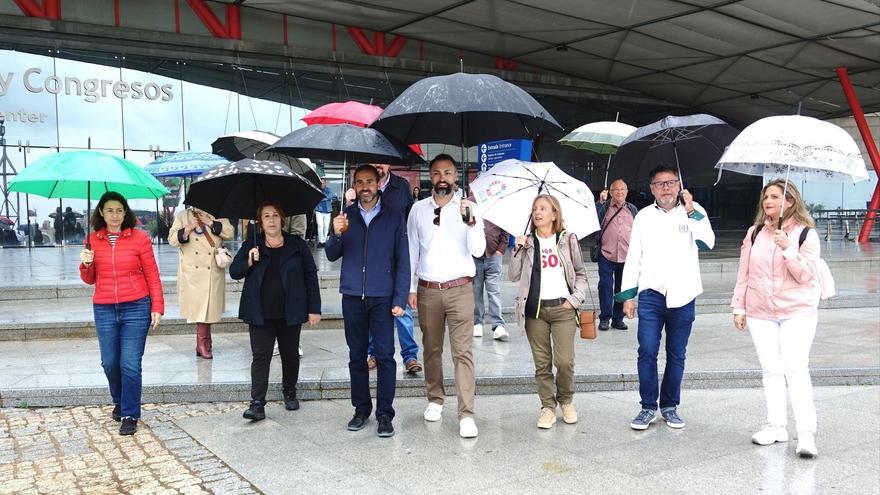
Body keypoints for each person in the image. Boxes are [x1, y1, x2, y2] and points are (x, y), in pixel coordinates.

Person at [614, 165, 715, 431]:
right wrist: (628, 295)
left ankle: (669, 406)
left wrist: (692, 211)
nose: (666, 188)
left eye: (671, 182)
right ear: (652, 189)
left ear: (679, 184)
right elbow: (634, 256)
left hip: (684, 294)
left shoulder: (694, 212)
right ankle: (647, 407)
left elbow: (707, 244)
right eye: (660, 184)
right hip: (651, 294)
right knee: (647, 350)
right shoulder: (644, 217)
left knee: (676, 354)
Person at [732, 179, 821, 458]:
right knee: (771, 368)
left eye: (774, 197)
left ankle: (806, 433)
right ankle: (776, 425)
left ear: (790, 201)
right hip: (761, 311)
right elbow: (743, 272)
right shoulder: (755, 232)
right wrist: (739, 307)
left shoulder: (806, 234)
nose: (767, 201)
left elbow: (806, 276)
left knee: (795, 368)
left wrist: (788, 249)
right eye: (765, 196)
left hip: (796, 311)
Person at [325, 165, 410, 438]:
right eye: (360, 182)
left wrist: (400, 298)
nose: (365, 187)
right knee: (356, 356)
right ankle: (361, 409)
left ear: (378, 183)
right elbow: (330, 255)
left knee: (385, 356)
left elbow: (403, 261)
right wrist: (336, 233)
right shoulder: (344, 216)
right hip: (352, 295)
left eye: (369, 181)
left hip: (383, 296)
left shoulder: (394, 216)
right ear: (354, 185)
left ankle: (385, 414)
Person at [408, 154, 486, 438]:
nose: (443, 178)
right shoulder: (417, 210)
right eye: (438, 172)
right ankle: (435, 398)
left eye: (448, 173)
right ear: (431, 176)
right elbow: (412, 250)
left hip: (460, 289)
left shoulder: (470, 208)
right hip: (429, 290)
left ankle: (466, 413)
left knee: (463, 352)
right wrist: (411, 288)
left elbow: (479, 251)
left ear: (456, 177)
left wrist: (472, 222)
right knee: (431, 348)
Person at [79, 191, 163, 436]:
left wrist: (157, 306)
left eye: (119, 210)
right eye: (109, 210)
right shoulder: (92, 240)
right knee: (109, 363)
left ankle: (129, 413)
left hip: (136, 306)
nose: (114, 215)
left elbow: (152, 274)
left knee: (129, 363)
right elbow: (89, 278)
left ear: (125, 213)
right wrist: (85, 263)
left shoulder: (140, 238)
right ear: (101, 214)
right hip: (104, 307)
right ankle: (119, 399)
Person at [230, 202, 321, 421]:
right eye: (266, 216)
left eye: (275, 216)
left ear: (282, 219)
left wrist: (314, 308)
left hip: (290, 309)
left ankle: (290, 391)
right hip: (260, 312)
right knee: (260, 356)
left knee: (290, 355)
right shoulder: (252, 245)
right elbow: (234, 272)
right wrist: (249, 260)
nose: (271, 220)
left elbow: (310, 276)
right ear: (260, 221)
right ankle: (257, 403)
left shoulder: (296, 245)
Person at [509, 195, 587, 428]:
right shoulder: (528, 242)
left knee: (564, 361)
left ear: (555, 214)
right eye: (534, 209)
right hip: (536, 310)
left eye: (543, 208)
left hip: (563, 308)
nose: (537, 212)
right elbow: (513, 275)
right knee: (542, 363)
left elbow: (581, 273)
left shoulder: (568, 239)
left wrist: (574, 299)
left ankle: (566, 399)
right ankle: (547, 407)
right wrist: (517, 249)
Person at [364, 164, 422, 374]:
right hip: (372, 259)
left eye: (382, 160)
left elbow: (410, 220)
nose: (378, 165)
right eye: (374, 160)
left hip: (398, 256)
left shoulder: (401, 187)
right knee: (373, 310)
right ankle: (374, 354)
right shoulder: (365, 186)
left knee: (403, 309)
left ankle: (410, 356)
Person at [168, 207, 234, 359]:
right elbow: (172, 240)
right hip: (192, 272)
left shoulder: (218, 214)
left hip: (212, 270)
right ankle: (202, 343)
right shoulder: (183, 216)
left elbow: (229, 232)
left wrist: (210, 222)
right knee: (200, 309)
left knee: (209, 307)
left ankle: (204, 341)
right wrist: (189, 227)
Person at [595, 180, 638, 331]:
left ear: (627, 192)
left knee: (622, 288)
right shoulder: (604, 207)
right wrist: (600, 202)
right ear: (611, 192)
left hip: (627, 255)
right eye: (616, 190)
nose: (619, 192)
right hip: (606, 253)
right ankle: (605, 318)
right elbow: (593, 218)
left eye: (622, 189)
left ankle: (618, 319)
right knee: (605, 287)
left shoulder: (632, 210)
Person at [472, 218, 510, 340]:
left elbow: (505, 230)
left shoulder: (495, 207)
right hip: (475, 256)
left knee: (494, 291)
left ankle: (498, 325)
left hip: (494, 255)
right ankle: (477, 322)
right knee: (476, 291)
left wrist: (501, 249)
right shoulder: (470, 204)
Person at [314, 178, 337, 246]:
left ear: (325, 183)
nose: (322, 184)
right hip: (319, 210)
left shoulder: (328, 189)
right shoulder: (317, 189)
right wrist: (326, 198)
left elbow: (331, 196)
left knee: (326, 226)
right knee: (320, 225)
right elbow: (316, 198)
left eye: (323, 183)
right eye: (321, 183)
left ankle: (324, 240)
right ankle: (321, 241)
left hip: (327, 210)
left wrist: (322, 198)